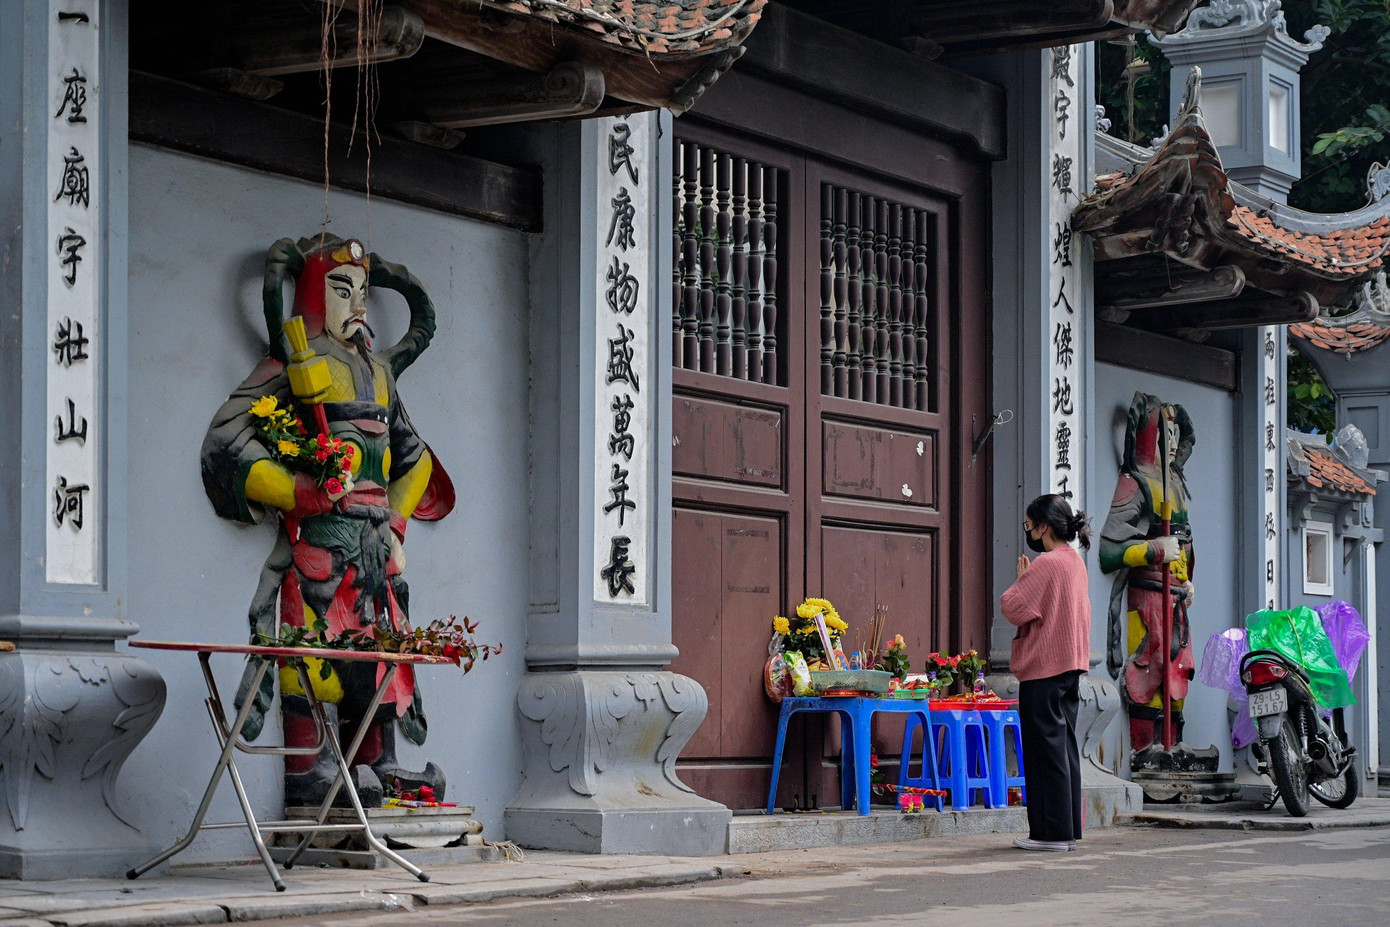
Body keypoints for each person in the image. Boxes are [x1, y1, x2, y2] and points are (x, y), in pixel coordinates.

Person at [202, 234, 454, 806]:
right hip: (320, 545)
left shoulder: (379, 373)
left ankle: (379, 766)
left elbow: (414, 459)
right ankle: (307, 769)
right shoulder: (291, 364)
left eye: (363, 291)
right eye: (343, 290)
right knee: (310, 650)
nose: (358, 305)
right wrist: (297, 489)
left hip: (376, 551)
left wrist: (396, 526)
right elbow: (227, 440)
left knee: (380, 656)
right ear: (316, 293)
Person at [1001, 493, 1092, 851]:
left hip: (1044, 666)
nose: (1028, 532)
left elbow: (1012, 606)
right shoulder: (1075, 562)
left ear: (1042, 527)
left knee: (1043, 752)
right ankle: (1066, 832)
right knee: (1063, 749)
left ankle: (1049, 834)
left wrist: (1023, 578)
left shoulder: (1047, 563)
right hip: (1070, 664)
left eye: (1029, 525)